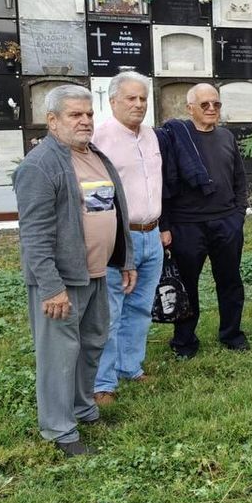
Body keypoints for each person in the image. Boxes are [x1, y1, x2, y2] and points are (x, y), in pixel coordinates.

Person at [14, 85, 136, 457]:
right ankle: (59, 429)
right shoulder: (39, 166)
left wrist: (125, 258)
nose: (85, 121)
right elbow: (34, 234)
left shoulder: (95, 155)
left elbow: (114, 211)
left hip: (97, 274)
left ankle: (83, 408)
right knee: (59, 353)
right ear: (52, 121)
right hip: (63, 280)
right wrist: (51, 287)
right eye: (74, 115)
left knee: (93, 343)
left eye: (88, 114)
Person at [157, 83, 249, 359]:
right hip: (187, 226)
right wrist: (165, 225)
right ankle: (184, 341)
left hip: (226, 223)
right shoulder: (175, 138)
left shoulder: (226, 137)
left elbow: (239, 179)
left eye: (216, 104)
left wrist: (239, 214)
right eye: (205, 104)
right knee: (187, 285)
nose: (211, 109)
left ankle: (231, 334)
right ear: (190, 108)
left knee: (230, 281)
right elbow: (163, 183)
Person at [90, 72, 164, 407]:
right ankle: (102, 383)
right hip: (121, 239)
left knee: (141, 309)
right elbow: (96, 196)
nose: (138, 104)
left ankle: (130, 366)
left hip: (152, 235)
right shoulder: (100, 137)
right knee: (110, 313)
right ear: (113, 100)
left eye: (143, 99)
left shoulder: (150, 135)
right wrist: (115, 245)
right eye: (131, 98)